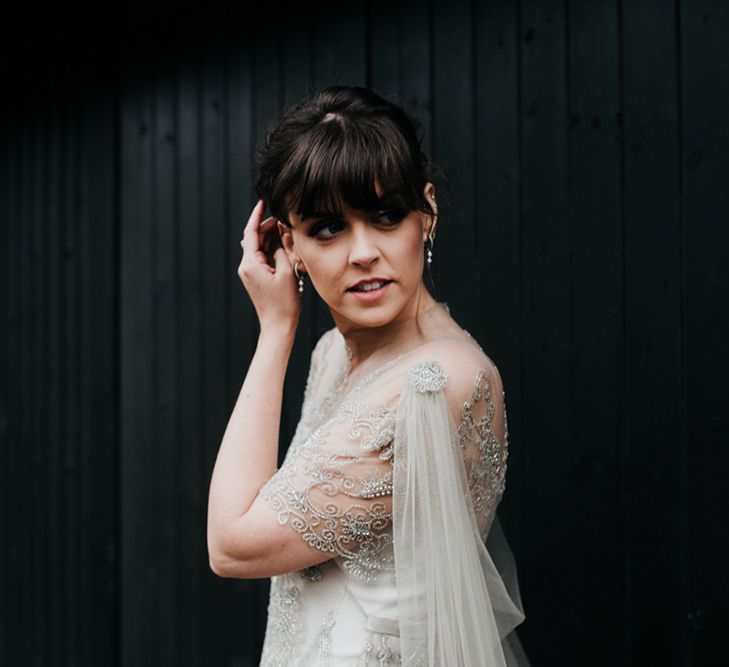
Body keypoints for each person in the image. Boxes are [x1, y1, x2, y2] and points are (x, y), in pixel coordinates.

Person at [206, 86, 528, 666]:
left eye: (386, 216)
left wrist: (275, 332)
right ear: (288, 243)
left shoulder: (436, 382)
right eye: (328, 228)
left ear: (426, 213)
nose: (363, 252)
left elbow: (232, 546)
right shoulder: (332, 352)